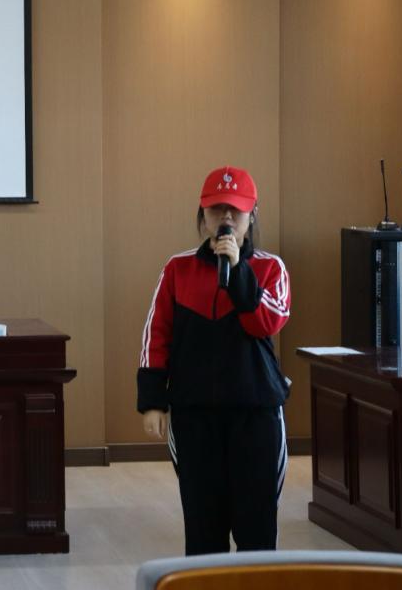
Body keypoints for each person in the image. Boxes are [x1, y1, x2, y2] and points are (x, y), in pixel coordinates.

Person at [137, 166, 291, 555]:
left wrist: (238, 270)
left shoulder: (271, 268)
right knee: (203, 529)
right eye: (217, 209)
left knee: (257, 529)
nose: (226, 218)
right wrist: (153, 401)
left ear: (252, 214)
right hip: (195, 415)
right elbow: (157, 336)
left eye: (235, 210)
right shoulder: (178, 268)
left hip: (256, 416)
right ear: (202, 215)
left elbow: (267, 322)